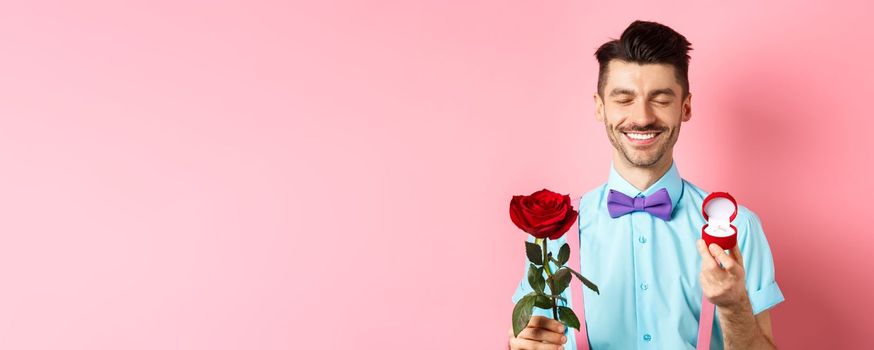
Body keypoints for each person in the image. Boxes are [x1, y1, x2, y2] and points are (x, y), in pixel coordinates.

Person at [507, 20, 784, 349]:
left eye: (661, 99)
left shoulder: (739, 229)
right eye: (624, 99)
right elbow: (532, 340)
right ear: (600, 107)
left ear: (686, 107)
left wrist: (734, 306)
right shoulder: (553, 232)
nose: (641, 117)